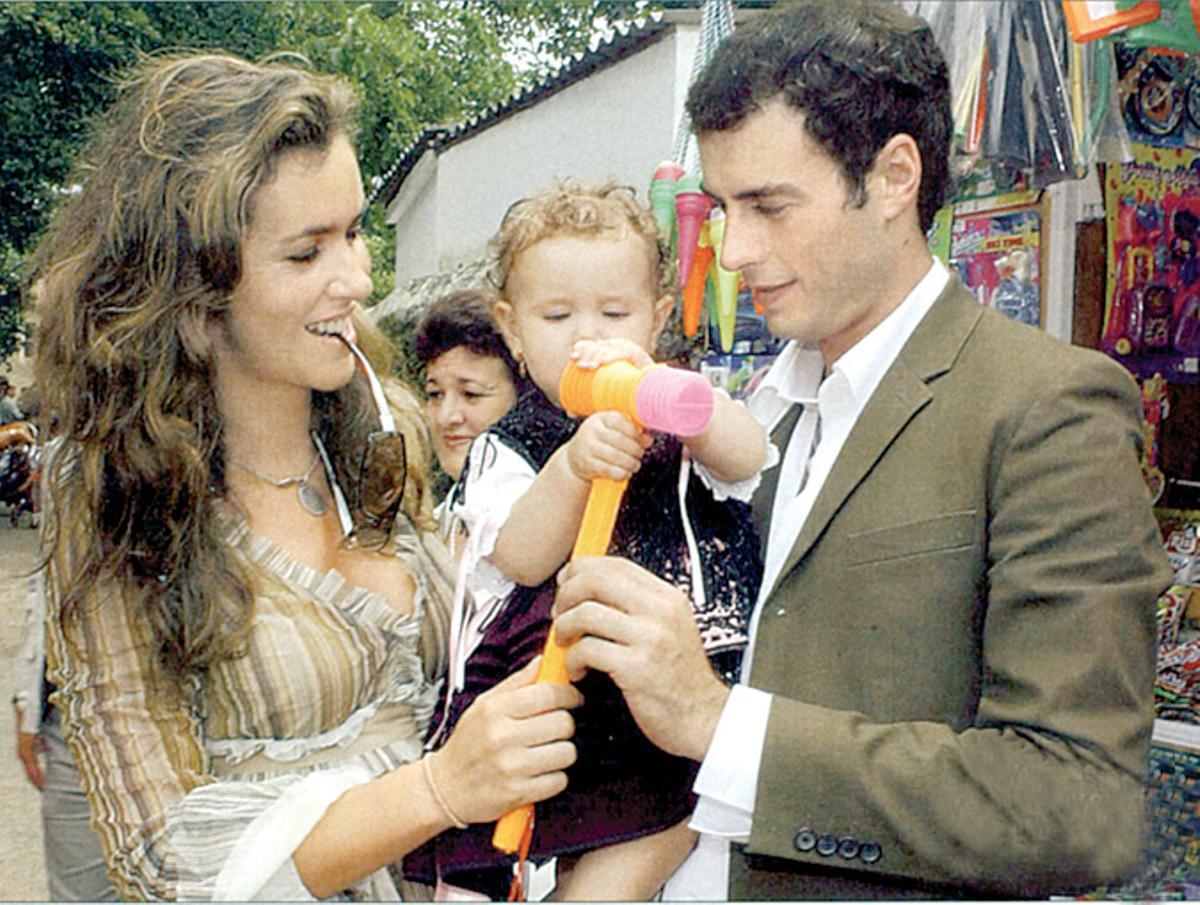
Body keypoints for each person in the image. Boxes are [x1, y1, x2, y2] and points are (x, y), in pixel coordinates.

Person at [552, 2, 1174, 899]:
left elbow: (1077, 805)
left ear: (892, 178)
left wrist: (716, 721)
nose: (735, 251)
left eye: (770, 205)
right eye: (724, 208)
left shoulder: (1046, 408)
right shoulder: (751, 418)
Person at [31, 52, 578, 901]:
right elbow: (158, 857)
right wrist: (436, 789)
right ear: (195, 293)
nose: (356, 281)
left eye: (355, 232)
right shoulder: (106, 489)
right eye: (305, 253)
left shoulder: (382, 423)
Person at [405, 182, 766, 899]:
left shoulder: (676, 403)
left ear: (658, 317)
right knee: (485, 862)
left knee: (613, 875)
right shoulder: (513, 440)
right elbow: (521, 554)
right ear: (512, 328)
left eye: (614, 312)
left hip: (672, 701)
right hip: (562, 699)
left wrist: (680, 404)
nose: (586, 335)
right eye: (557, 314)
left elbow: (749, 455)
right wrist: (572, 465)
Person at [13, 571, 117, 901]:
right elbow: (48, 590)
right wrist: (27, 702)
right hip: (80, 725)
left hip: (205, 729)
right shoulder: (67, 523)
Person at [412, 289, 521, 544]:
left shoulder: (549, 518)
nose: (446, 417)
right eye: (435, 394)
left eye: (471, 394)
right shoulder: (433, 527)